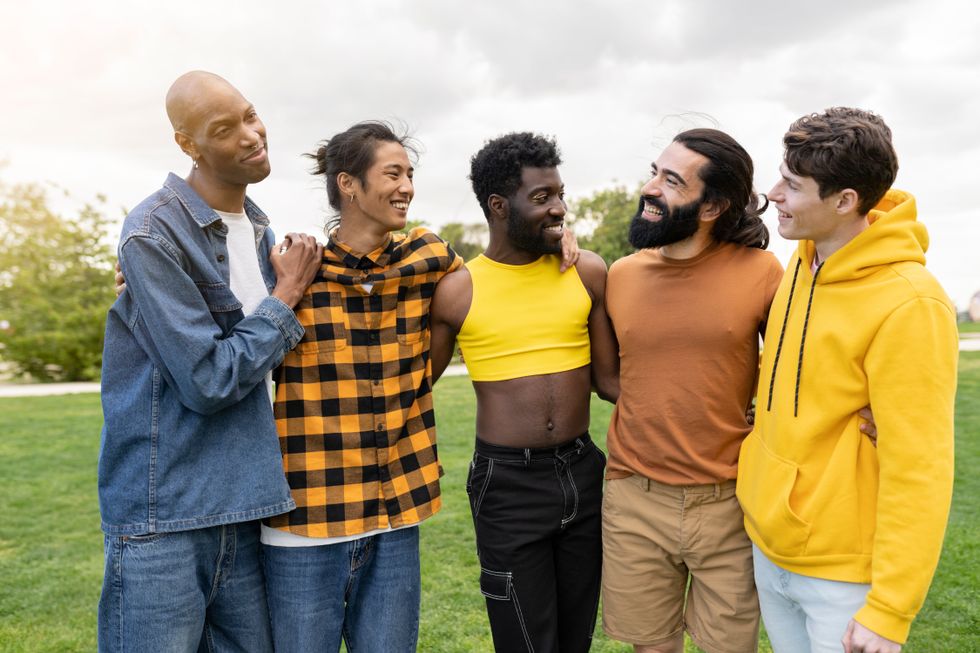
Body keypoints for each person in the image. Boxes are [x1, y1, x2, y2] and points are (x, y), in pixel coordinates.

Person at [98, 71, 322, 652]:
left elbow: (269, 359)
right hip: (165, 516)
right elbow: (207, 379)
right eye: (224, 129)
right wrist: (285, 298)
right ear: (187, 145)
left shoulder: (262, 230)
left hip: (245, 507)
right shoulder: (154, 233)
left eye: (250, 115)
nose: (251, 135)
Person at [736, 108, 958, 653]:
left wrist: (889, 610)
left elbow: (920, 468)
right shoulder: (802, 260)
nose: (772, 194)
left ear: (844, 201)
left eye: (791, 185)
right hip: (771, 546)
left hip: (842, 576)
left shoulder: (911, 302)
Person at [257, 121, 463, 653]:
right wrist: (138, 270)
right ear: (348, 184)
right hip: (306, 523)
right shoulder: (293, 274)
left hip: (395, 514)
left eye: (410, 174)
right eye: (392, 173)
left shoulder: (425, 257)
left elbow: (501, 266)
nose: (407, 186)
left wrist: (560, 244)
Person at [429, 131, 619, 653]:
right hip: (508, 485)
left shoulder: (587, 271)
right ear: (498, 206)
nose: (558, 209)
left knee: (575, 638)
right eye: (542, 198)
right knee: (525, 643)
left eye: (560, 195)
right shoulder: (459, 289)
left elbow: (610, 383)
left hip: (584, 474)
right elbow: (415, 384)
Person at [599, 129, 783, 653]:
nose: (651, 187)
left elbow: (801, 369)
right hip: (635, 498)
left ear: (713, 206)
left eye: (672, 180)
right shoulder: (621, 275)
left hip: (729, 502)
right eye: (655, 171)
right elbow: (616, 380)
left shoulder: (763, 272)